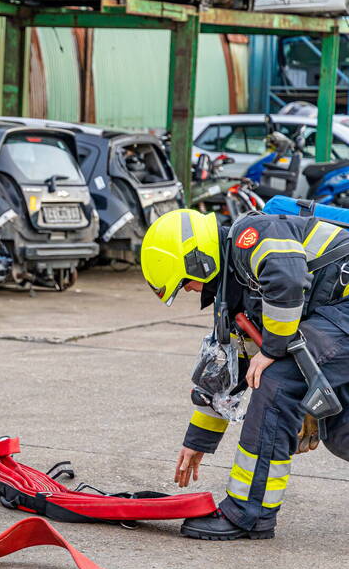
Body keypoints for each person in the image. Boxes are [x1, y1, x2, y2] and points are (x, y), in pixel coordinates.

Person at [141, 208, 349, 540]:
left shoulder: (251, 234)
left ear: (198, 260)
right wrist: (198, 442)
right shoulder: (233, 290)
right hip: (336, 318)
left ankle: (248, 514)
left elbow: (288, 276)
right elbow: (229, 369)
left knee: (278, 382)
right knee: (341, 432)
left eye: (185, 282)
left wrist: (271, 349)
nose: (192, 292)